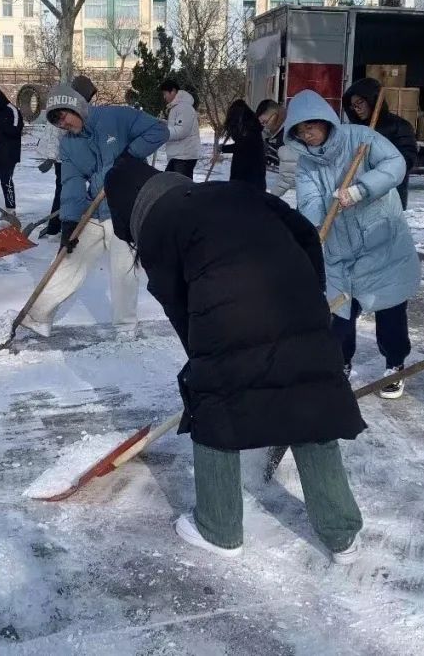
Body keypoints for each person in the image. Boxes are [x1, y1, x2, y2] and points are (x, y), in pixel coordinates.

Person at [104, 155, 366, 562]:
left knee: (213, 405)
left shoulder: (157, 225)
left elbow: (179, 306)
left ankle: (219, 527)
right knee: (309, 401)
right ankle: (342, 536)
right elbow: (305, 234)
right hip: (296, 299)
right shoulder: (232, 189)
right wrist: (310, 294)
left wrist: (204, 364)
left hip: (226, 317)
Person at [285, 89, 420, 399]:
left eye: (312, 127)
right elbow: (310, 201)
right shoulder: (307, 163)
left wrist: (361, 190)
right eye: (301, 131)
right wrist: (310, 232)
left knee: (390, 310)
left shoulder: (360, 138)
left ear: (326, 121)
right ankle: (338, 364)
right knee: (339, 314)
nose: (308, 135)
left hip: (381, 241)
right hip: (340, 250)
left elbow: (395, 166)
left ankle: (395, 365)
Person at [21, 82, 169, 338]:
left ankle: (125, 328)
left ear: (76, 105)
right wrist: (69, 223)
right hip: (96, 208)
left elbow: (159, 131)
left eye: (63, 115)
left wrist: (130, 154)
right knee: (70, 260)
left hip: (126, 208)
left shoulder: (115, 117)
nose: (63, 123)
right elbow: (71, 183)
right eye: (56, 121)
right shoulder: (69, 145)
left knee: (123, 268)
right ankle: (37, 317)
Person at [342, 78, 418, 209]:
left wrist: (377, 176)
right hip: (358, 198)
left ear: (372, 100)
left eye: (360, 102)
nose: (357, 109)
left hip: (390, 196)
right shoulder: (355, 130)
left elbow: (406, 160)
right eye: (353, 106)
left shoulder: (399, 126)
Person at [36, 75, 97, 238]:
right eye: (87, 96)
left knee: (78, 191)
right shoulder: (64, 106)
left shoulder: (80, 106)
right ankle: (57, 227)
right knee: (65, 192)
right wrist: (51, 157)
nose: (88, 100)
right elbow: (54, 134)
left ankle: (63, 224)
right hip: (64, 159)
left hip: (79, 157)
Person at [215, 99, 266, 189]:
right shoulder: (251, 123)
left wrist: (223, 148)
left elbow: (243, 146)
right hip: (253, 171)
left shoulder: (247, 126)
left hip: (247, 172)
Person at [160, 78, 200, 178]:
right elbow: (176, 126)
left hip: (184, 156)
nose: (164, 97)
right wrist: (163, 124)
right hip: (178, 155)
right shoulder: (176, 107)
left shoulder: (184, 107)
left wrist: (164, 133)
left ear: (173, 91)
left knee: (181, 188)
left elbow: (182, 131)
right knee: (169, 183)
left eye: (165, 94)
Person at [260, 99, 297, 198]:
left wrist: (271, 199)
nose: (265, 126)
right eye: (262, 123)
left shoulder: (287, 137)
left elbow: (287, 178)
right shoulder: (276, 130)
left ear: (276, 115)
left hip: (298, 192)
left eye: (265, 122)